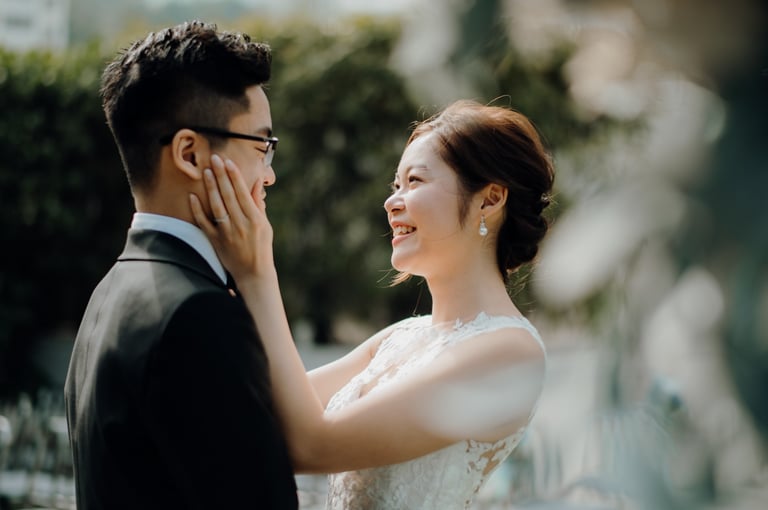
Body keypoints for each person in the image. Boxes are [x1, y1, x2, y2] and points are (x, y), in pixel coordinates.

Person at [191, 99, 554, 509]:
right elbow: (263, 412)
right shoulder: (400, 337)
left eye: (415, 181)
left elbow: (311, 446)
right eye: (395, 186)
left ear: (489, 200)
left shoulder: (510, 353)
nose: (392, 201)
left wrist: (257, 272)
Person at [64, 21, 298, 509]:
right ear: (189, 153)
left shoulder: (109, 291)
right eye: (262, 147)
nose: (269, 175)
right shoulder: (198, 315)